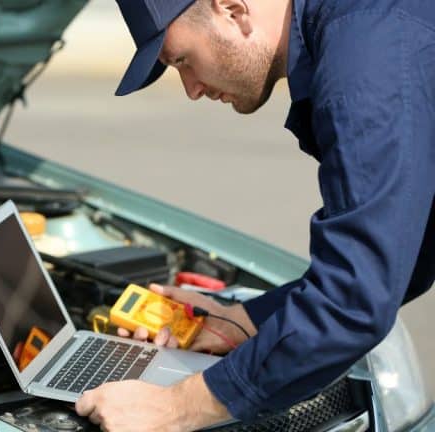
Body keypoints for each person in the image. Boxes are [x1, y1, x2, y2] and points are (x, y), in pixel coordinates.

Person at [74, 0, 435, 430]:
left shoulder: (366, 64)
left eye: (183, 61)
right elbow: (407, 258)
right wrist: (243, 321)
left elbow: (352, 302)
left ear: (232, 9)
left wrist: (175, 408)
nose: (191, 89)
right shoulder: (366, 23)